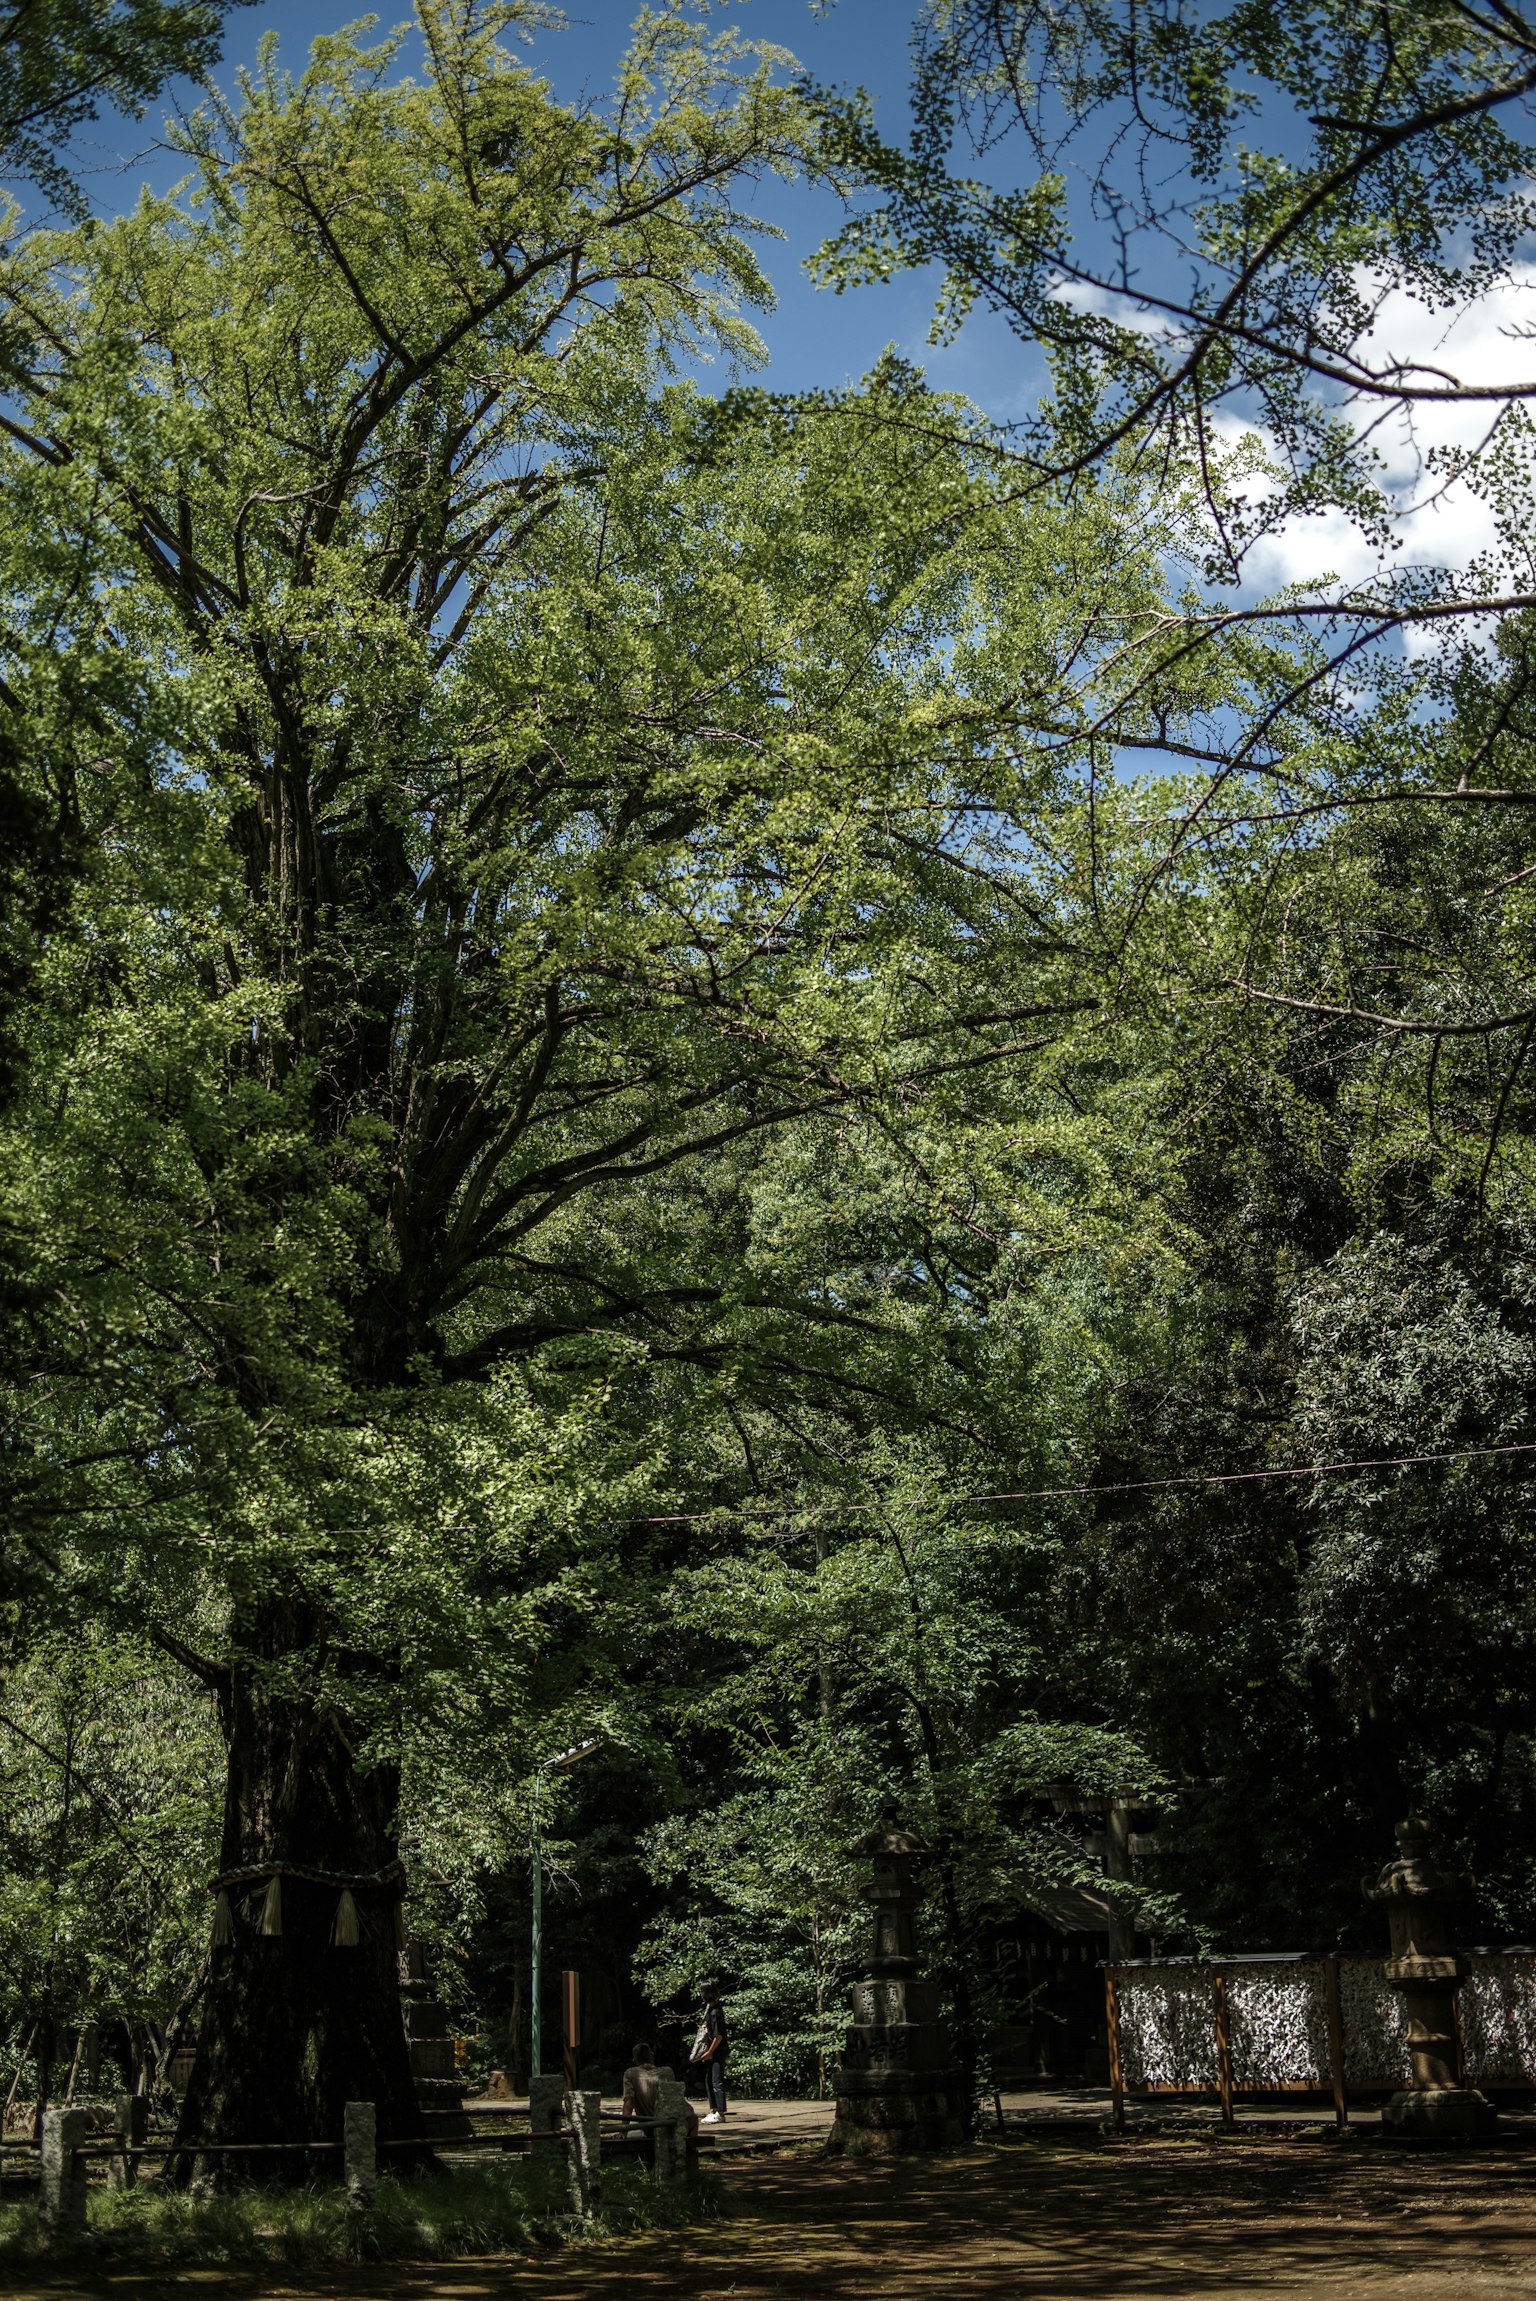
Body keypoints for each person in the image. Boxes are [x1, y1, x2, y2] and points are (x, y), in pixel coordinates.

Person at [620, 2041, 697, 2158]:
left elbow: (629, 2102)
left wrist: (623, 2130)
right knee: (694, 2118)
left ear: (635, 2060)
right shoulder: (667, 2072)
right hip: (670, 2126)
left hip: (649, 2126)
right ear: (651, 2056)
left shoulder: (630, 2074)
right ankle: (689, 2153)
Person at [691, 1981, 728, 2123]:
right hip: (714, 2050)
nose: (701, 1995)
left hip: (718, 2051)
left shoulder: (715, 2012)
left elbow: (719, 2036)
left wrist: (709, 2052)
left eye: (702, 1992)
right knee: (709, 2081)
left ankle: (721, 2113)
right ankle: (713, 2110)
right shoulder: (710, 2008)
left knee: (716, 2082)